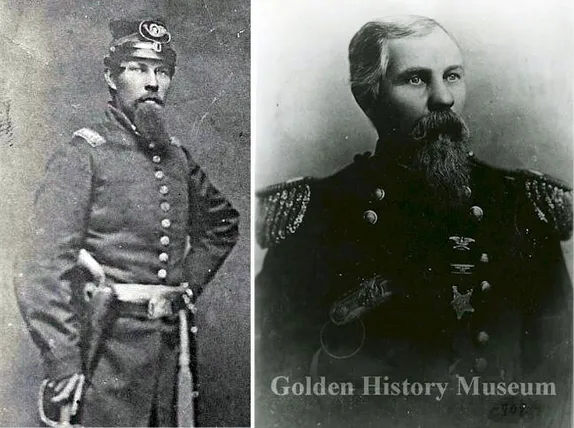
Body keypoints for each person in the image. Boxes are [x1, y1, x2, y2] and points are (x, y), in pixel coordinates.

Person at [256, 15, 572, 427]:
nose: (444, 98)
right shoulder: (318, 211)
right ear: (367, 96)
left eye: (453, 76)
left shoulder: (520, 205)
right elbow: (279, 375)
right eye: (417, 79)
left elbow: (558, 367)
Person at [15, 18, 240, 427]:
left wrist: (183, 287)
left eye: (162, 71)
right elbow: (40, 267)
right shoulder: (84, 155)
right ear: (111, 77)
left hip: (169, 355)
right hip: (103, 357)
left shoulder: (177, 158)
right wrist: (63, 359)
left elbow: (222, 225)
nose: (152, 82)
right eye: (138, 69)